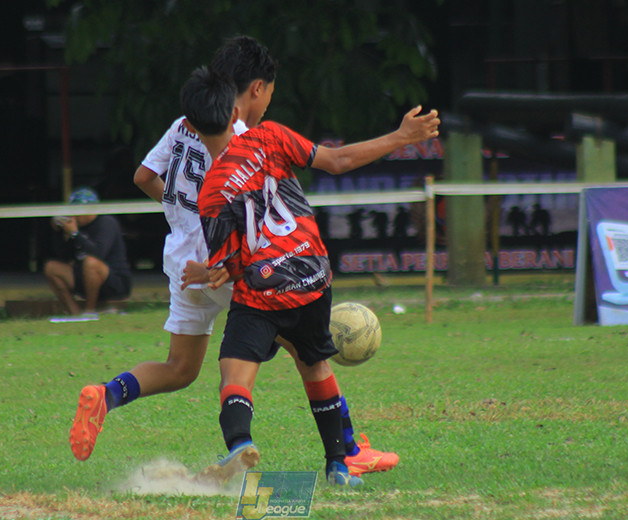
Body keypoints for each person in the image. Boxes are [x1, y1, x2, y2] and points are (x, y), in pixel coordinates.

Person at [68, 37, 399, 480]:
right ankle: (348, 449)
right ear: (256, 90)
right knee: (309, 352)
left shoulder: (185, 122)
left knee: (180, 368)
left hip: (180, 259)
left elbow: (144, 175)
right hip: (228, 265)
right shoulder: (244, 139)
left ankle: (106, 395)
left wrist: (184, 214)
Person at [182, 66, 440, 488]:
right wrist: (401, 136)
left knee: (234, 373)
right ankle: (339, 466)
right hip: (313, 276)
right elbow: (337, 160)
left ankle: (239, 445)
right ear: (235, 113)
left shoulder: (211, 193)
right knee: (316, 364)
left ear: (191, 127)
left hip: (264, 292)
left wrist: (206, 273)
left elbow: (228, 266)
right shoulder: (269, 136)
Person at [44, 187, 132, 321]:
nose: (75, 216)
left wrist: (75, 234)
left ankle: (89, 311)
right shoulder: (75, 225)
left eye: (78, 212)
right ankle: (74, 312)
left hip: (113, 282)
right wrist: (59, 232)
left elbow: (98, 253)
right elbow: (65, 256)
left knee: (91, 263)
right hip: (84, 279)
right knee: (51, 267)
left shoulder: (106, 223)